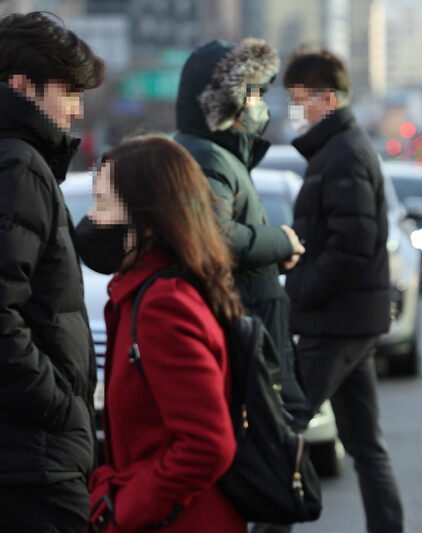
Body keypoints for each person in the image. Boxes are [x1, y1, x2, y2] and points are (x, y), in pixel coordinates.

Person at [76, 38, 309, 423]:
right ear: (223, 103)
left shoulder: (221, 155)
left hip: (254, 320)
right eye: (252, 95)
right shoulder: (207, 157)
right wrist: (280, 240)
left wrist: (272, 260)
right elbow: (214, 235)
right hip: (245, 326)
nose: (261, 106)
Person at [87, 137, 246, 532]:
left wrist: (122, 510)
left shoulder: (162, 304)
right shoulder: (146, 292)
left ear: (148, 218)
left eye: (103, 204)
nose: (91, 218)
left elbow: (208, 444)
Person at [283, 48, 404, 533]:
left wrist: (303, 290)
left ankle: (269, 525)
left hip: (335, 320)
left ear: (325, 99)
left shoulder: (343, 153)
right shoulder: (338, 149)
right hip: (351, 318)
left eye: (298, 99)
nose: (293, 109)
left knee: (285, 426)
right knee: (365, 443)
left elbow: (353, 242)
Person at [0, 12, 105, 533]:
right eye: (68, 91)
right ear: (23, 86)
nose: (77, 108)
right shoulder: (19, 167)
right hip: (35, 459)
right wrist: (62, 406)